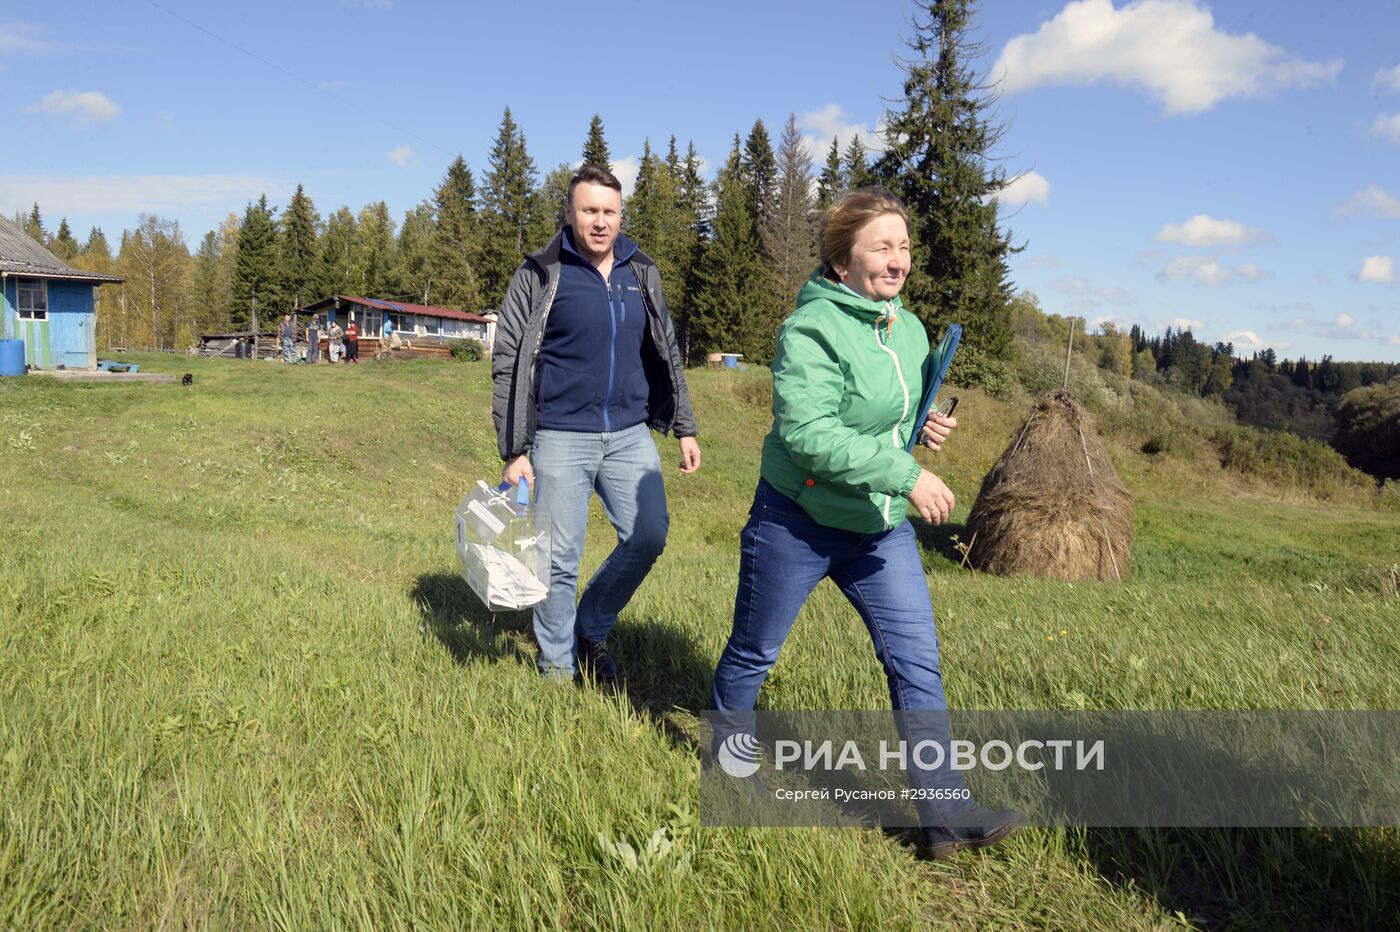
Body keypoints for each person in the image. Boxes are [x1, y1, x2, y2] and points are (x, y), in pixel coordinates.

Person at [707, 187, 1022, 860]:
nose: (898, 260)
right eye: (882, 246)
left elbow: (889, 422)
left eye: (904, 246)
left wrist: (921, 429)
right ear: (842, 261)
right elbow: (808, 433)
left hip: (878, 528)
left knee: (916, 664)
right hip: (798, 519)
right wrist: (907, 475)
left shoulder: (906, 328)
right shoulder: (811, 330)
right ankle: (729, 773)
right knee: (754, 652)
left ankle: (944, 815)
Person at [492, 164, 701, 683]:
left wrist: (685, 425)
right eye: (589, 210)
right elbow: (509, 358)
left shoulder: (640, 270)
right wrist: (515, 448)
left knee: (649, 535)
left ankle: (592, 624)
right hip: (560, 434)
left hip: (629, 433)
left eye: (609, 211)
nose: (600, 222)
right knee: (559, 559)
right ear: (569, 212)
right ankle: (558, 670)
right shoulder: (542, 271)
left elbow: (667, 348)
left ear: (620, 214)